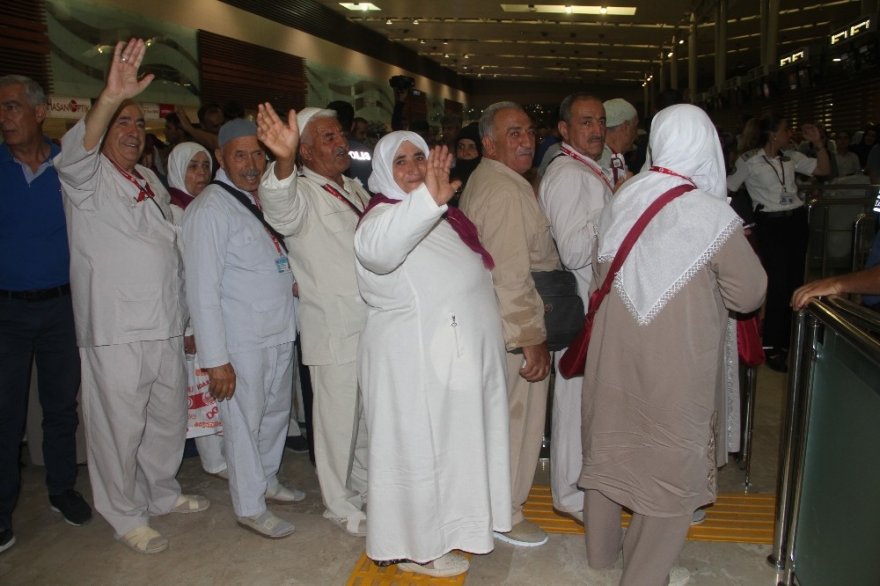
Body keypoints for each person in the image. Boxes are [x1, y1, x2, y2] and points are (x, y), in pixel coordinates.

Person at [581, 104, 767, 585]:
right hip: (677, 360)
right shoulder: (711, 214)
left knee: (611, 447)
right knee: (671, 462)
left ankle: (602, 557)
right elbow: (750, 293)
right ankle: (644, 576)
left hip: (613, 353)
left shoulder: (624, 196)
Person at [53, 38, 208, 555]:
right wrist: (108, 97)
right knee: (118, 428)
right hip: (115, 329)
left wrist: (185, 322)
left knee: (167, 419)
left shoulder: (148, 180)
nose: (133, 133)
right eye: (122, 122)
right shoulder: (86, 176)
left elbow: (171, 255)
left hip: (164, 322)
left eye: (139, 124)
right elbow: (78, 148)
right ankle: (124, 513)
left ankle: (161, 494)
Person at [353, 131, 511, 577]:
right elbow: (379, 253)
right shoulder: (382, 219)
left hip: (448, 364)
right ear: (383, 170)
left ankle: (452, 528)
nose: (411, 168)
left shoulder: (438, 215)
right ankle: (414, 548)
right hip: (413, 367)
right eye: (399, 161)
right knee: (418, 455)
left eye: (418, 157)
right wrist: (426, 203)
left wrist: (430, 204)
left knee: (450, 453)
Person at [182, 119, 301, 538]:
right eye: (240, 155)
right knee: (243, 426)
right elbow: (202, 291)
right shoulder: (210, 209)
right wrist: (216, 361)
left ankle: (267, 480)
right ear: (221, 157)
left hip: (277, 329)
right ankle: (249, 506)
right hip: (240, 341)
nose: (251, 164)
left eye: (257, 154)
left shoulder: (256, 198)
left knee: (273, 416)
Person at [257, 104, 369, 537]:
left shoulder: (353, 188)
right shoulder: (302, 191)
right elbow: (279, 207)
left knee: (363, 421)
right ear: (304, 152)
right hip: (335, 328)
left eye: (339, 133)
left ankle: (362, 488)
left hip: (369, 325)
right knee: (337, 424)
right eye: (327, 137)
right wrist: (281, 160)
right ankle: (339, 504)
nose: (340, 141)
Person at [459, 101, 559, 547]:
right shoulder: (503, 191)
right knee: (516, 425)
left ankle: (496, 507)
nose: (525, 141)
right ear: (488, 143)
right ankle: (506, 515)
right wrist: (530, 338)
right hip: (512, 331)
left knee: (503, 423)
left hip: (498, 326)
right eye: (513, 133)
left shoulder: (497, 181)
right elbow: (510, 274)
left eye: (529, 132)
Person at [0, 74, 91, 555]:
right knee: (5, 414)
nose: (4, 117)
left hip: (61, 306)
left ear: (39, 113)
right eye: (1, 109)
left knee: (60, 406)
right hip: (6, 310)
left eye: (12, 107)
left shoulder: (68, 165)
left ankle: (61, 489)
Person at [538, 93, 612, 524]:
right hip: (580, 304)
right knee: (573, 398)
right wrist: (618, 211)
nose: (597, 129)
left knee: (588, 399)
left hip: (595, 303)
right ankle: (569, 493)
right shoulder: (568, 175)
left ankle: (584, 485)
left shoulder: (586, 170)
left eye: (600, 121)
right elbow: (573, 248)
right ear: (564, 129)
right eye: (586, 122)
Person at [727, 115, 831, 372]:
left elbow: (823, 170)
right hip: (769, 223)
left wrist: (819, 144)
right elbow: (728, 187)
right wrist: (742, 221)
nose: (790, 133)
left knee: (795, 281)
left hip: (794, 221)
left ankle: (790, 341)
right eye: (786, 129)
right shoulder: (749, 160)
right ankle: (772, 344)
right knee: (778, 283)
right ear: (773, 134)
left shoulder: (790, 157)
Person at [599, 98, 638, 188]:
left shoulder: (611, 156)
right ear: (626, 127)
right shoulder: (604, 162)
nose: (636, 135)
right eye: (635, 127)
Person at [449, 121, 482, 194]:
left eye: (471, 147)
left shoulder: (484, 176)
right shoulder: (448, 176)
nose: (465, 152)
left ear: (480, 149)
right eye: (461, 147)